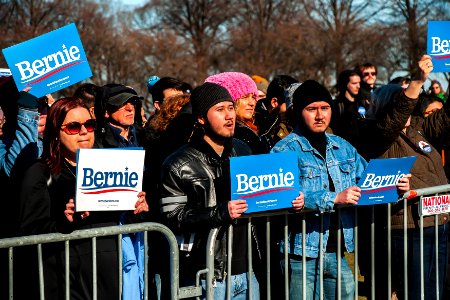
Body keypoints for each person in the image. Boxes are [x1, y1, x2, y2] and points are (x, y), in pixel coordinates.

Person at [271, 79, 409, 300]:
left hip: (338, 251)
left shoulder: (342, 146)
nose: (319, 115)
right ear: (299, 112)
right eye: (311, 109)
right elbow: (283, 195)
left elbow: (368, 180)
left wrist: (395, 186)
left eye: (324, 108)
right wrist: (333, 198)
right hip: (301, 253)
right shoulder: (284, 150)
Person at [16, 97, 148, 299]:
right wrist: (65, 221)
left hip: (108, 273)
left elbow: (120, 218)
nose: (84, 131)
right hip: (63, 277)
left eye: (89, 124)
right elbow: (30, 229)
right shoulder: (40, 171)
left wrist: (137, 209)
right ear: (55, 132)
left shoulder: (112, 162)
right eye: (73, 127)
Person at [159, 82, 260, 299]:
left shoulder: (244, 151)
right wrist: (219, 213)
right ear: (201, 118)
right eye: (220, 110)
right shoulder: (178, 163)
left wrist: (289, 201)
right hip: (208, 275)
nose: (229, 116)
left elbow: (263, 197)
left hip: (248, 271)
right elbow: (172, 216)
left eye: (230, 107)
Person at [360, 55, 448, 300]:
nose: (410, 104)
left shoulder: (418, 128)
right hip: (409, 228)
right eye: (403, 101)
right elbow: (397, 116)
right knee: (416, 292)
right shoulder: (379, 134)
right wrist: (419, 80)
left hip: (438, 222)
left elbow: (447, 117)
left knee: (435, 291)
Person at [205, 71, 268, 154]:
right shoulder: (234, 134)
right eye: (245, 97)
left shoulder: (260, 126)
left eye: (253, 97)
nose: (252, 103)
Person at [94, 84, 141, 148]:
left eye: (133, 102)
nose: (130, 108)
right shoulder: (97, 142)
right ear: (106, 112)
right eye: (122, 104)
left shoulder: (145, 137)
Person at [330, 69, 368, 149]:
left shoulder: (363, 104)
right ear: (345, 84)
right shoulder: (337, 106)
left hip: (363, 151)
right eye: (354, 83)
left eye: (359, 83)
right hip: (344, 149)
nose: (358, 86)